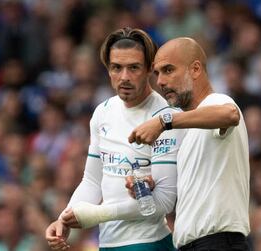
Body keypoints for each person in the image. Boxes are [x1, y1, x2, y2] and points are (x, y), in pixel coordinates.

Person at [45, 27, 185, 251]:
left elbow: (164, 202)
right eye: (116, 68)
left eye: (134, 68)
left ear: (150, 68)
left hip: (148, 243)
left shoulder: (165, 117)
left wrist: (97, 214)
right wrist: (65, 218)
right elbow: (92, 180)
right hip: (108, 243)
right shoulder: (103, 112)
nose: (125, 77)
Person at [128, 37, 250, 251]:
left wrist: (163, 121)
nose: (160, 82)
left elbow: (230, 114)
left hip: (218, 243)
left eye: (168, 70)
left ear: (195, 69)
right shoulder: (192, 128)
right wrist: (150, 187)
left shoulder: (217, 101)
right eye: (157, 74)